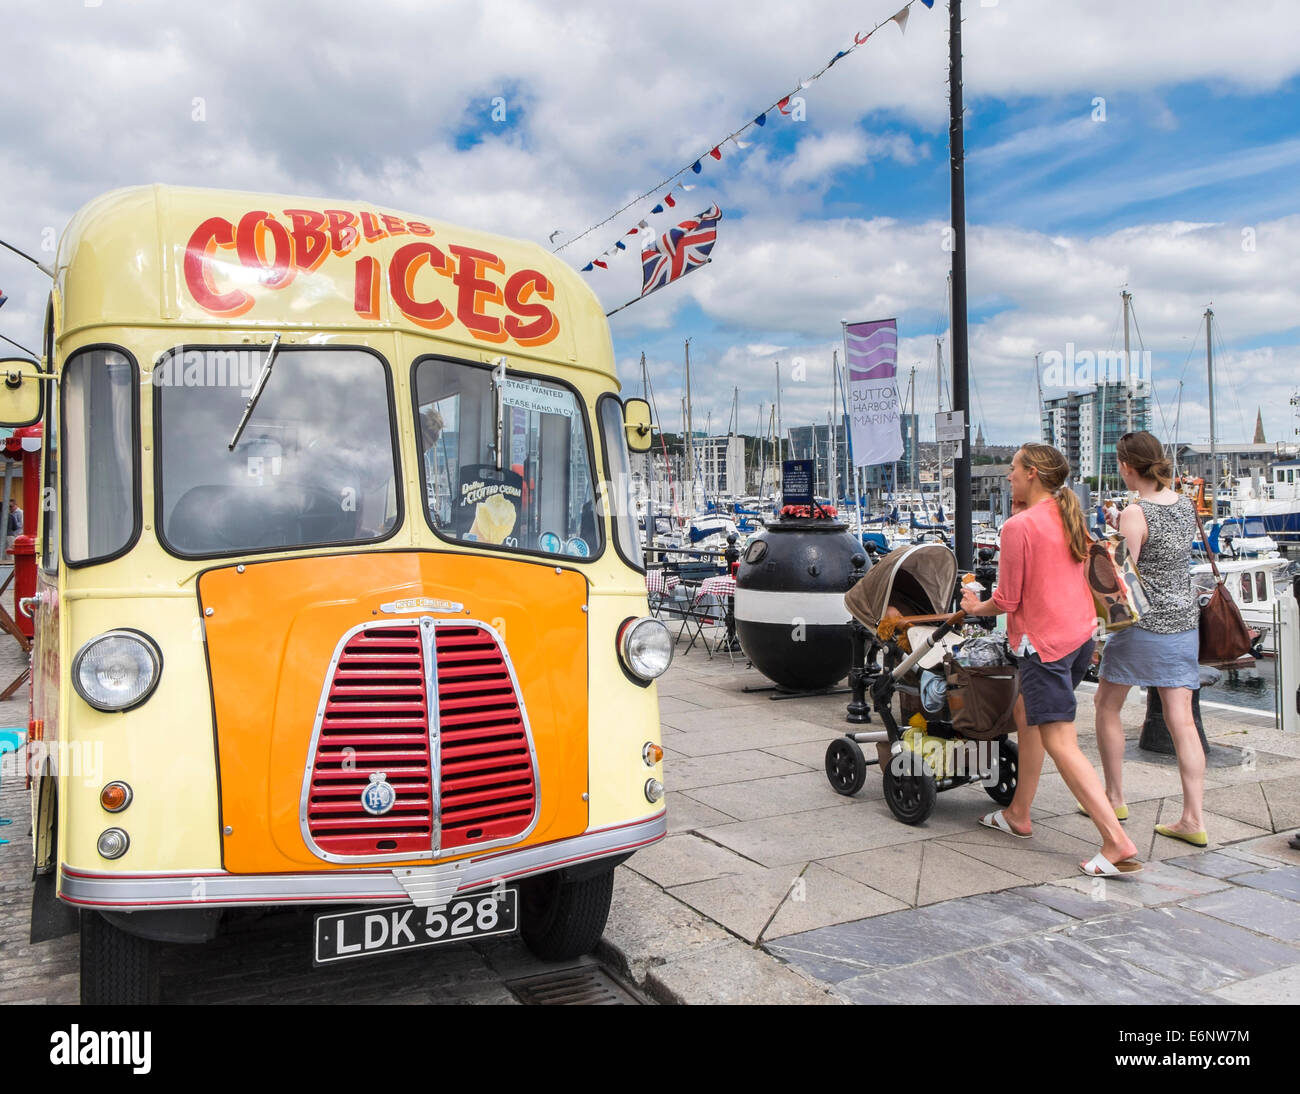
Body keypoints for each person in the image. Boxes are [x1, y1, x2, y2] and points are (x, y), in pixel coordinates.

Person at [960, 443, 1141, 877]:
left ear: (1033, 475)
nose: (1009, 476)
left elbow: (1007, 600)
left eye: (1014, 469)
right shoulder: (1069, 514)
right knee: (1026, 713)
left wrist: (972, 606)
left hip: (1044, 645)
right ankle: (1019, 812)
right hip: (1081, 638)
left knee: (1060, 739)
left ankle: (1115, 840)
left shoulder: (1018, 526)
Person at [1092, 431, 1206, 846]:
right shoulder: (1184, 504)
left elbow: (1123, 576)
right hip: (1183, 623)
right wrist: (1120, 525)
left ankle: (1114, 796)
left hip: (1144, 625)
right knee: (1182, 719)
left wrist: (1108, 541)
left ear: (1126, 466)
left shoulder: (1135, 512)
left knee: (1106, 704)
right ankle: (1193, 818)